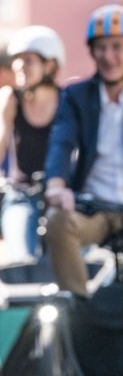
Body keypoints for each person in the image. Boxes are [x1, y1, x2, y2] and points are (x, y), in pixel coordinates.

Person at [44, 4, 123, 304]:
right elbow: (61, 141)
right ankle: (78, 307)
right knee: (56, 221)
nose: (108, 56)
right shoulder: (76, 95)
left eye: (117, 46)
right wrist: (56, 185)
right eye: (100, 48)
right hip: (95, 209)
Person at [0, 26, 64, 263]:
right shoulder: (10, 99)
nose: (19, 66)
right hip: (20, 194)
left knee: (68, 261)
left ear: (50, 65)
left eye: (28, 60)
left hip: (61, 197)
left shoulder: (67, 101)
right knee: (21, 260)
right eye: (16, 60)